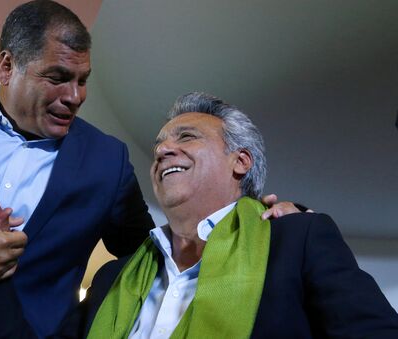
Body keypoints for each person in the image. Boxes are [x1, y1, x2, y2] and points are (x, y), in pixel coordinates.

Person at [0, 1, 297, 338]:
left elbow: (152, 252)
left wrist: (260, 227)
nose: (75, 96)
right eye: (57, 78)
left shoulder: (106, 160)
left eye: (83, 80)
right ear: (7, 66)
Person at [79, 92, 398, 338]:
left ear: (241, 161)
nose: (162, 150)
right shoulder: (112, 277)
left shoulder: (297, 240)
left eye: (187, 136)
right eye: (159, 144)